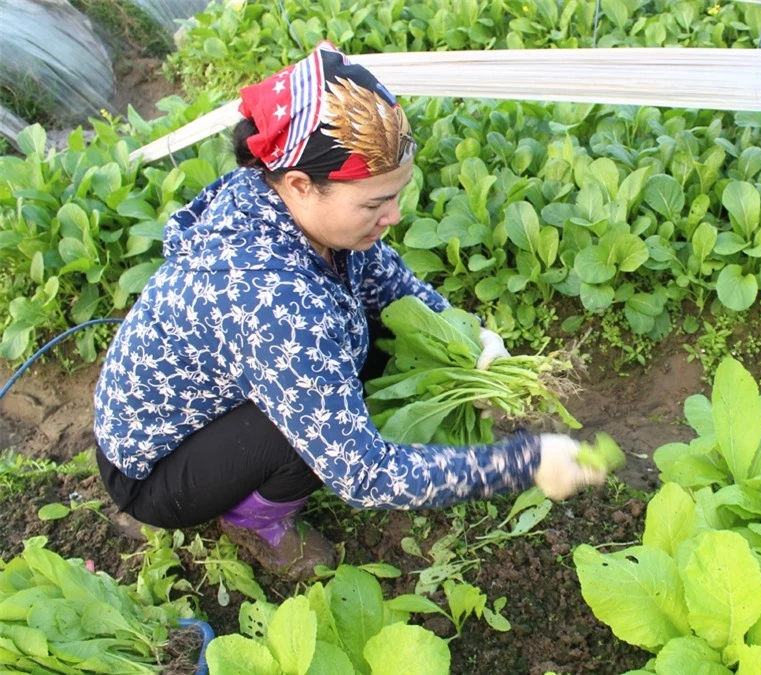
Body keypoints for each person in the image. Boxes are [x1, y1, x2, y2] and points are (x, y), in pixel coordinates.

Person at [93, 42, 606, 580]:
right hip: (156, 471)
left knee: (365, 347)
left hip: (220, 398)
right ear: (300, 186)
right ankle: (252, 521)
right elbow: (363, 475)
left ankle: (295, 456)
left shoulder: (300, 207)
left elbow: (392, 288)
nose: (393, 216)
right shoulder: (271, 299)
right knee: (322, 415)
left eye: (396, 194)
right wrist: (522, 463)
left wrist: (470, 334)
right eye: (373, 203)